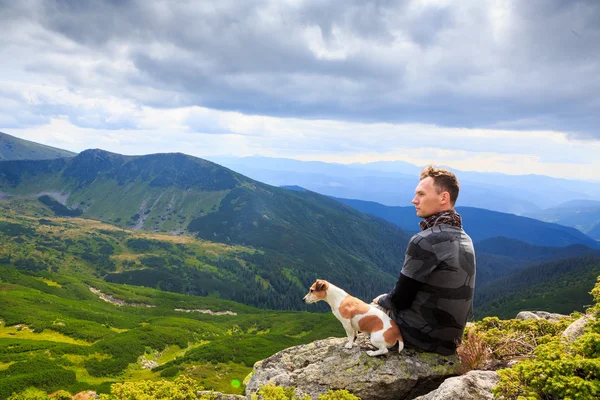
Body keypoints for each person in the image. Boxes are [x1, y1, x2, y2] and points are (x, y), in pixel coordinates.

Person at [373, 165, 476, 355]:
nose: (414, 200)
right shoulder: (465, 238)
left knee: (370, 309)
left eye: (421, 194)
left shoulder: (425, 240)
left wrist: (381, 299)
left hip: (422, 338)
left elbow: (400, 300)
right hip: (451, 340)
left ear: (443, 198)